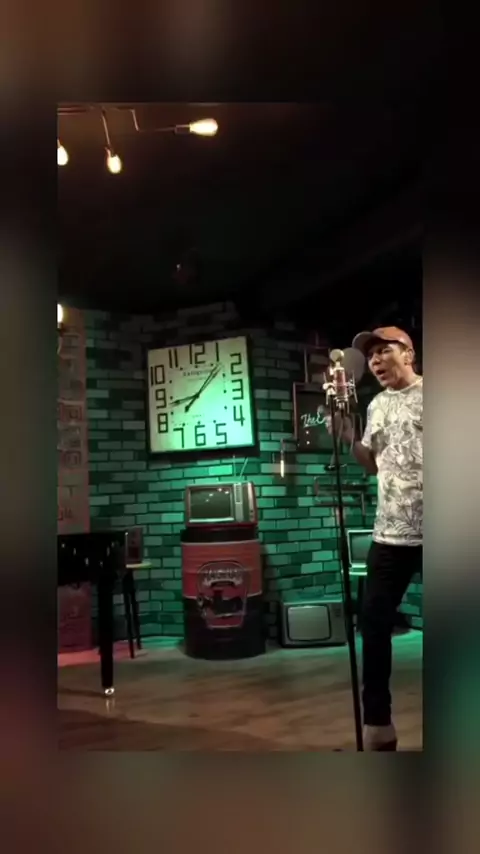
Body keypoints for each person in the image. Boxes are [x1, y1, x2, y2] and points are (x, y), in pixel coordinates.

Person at [326, 326, 423, 751]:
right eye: (371, 356)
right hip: (390, 533)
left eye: (385, 351)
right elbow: (371, 464)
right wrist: (349, 438)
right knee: (374, 621)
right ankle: (379, 723)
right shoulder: (377, 404)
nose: (377, 361)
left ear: (409, 353)